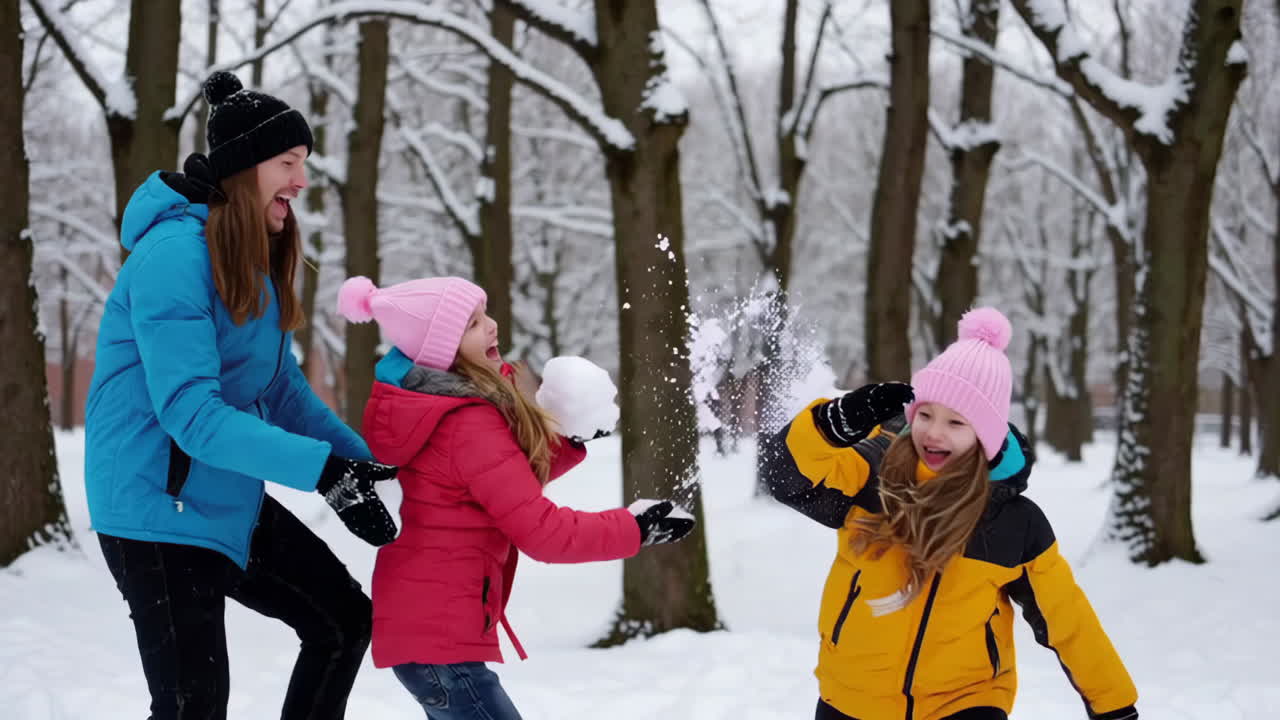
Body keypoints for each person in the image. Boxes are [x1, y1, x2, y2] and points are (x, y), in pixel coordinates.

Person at [84, 71, 399, 720]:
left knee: (342, 623)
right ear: (244, 167)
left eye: (303, 164)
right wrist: (322, 473)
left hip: (220, 494)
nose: (301, 181)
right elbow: (192, 416)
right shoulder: (173, 257)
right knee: (192, 705)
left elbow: (277, 386)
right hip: (156, 506)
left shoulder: (248, 255)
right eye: (288, 163)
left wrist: (358, 462)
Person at [336, 275, 696, 720]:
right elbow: (543, 532)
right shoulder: (465, 423)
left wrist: (569, 440)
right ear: (442, 350)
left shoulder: (439, 410)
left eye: (484, 313)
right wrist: (634, 528)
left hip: (428, 640)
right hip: (441, 645)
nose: (491, 326)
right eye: (471, 324)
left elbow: (495, 484)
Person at [762, 307, 1138, 720]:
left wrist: (1114, 703)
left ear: (987, 438)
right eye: (925, 415)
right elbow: (786, 477)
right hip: (852, 696)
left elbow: (1067, 618)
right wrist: (831, 425)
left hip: (965, 701)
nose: (934, 432)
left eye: (956, 423)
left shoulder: (1014, 522)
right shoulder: (871, 473)